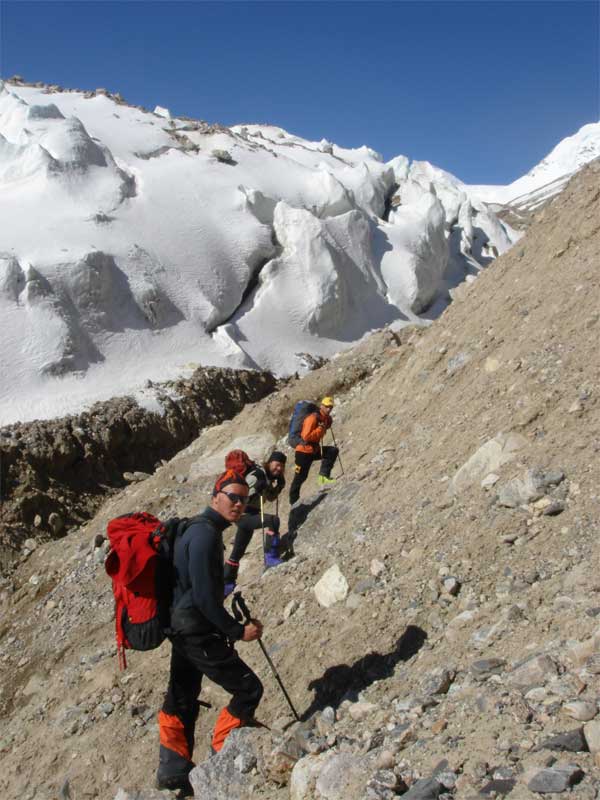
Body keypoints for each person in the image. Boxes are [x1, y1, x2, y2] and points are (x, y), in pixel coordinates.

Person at [156, 470, 264, 794]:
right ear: (216, 496)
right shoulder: (205, 536)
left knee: (181, 695)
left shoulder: (195, 528)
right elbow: (204, 598)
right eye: (233, 497)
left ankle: (173, 770)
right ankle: (222, 757)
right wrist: (237, 631)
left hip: (180, 628)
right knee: (248, 689)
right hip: (196, 631)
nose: (239, 504)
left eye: (244, 499)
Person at [223, 451, 287, 596]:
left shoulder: (266, 477)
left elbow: (270, 497)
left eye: (282, 467)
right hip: (244, 515)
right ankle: (271, 557)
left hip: (249, 515)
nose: (279, 469)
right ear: (270, 462)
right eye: (277, 465)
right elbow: (240, 496)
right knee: (273, 520)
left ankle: (227, 584)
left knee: (237, 551)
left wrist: (279, 486)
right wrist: (255, 490)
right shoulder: (258, 475)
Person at [288, 396, 338, 505]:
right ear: (322, 406)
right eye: (327, 406)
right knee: (300, 477)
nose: (329, 409)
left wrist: (325, 425)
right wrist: (320, 429)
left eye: (331, 407)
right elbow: (306, 436)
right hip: (303, 452)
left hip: (313, 450)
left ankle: (323, 477)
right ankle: (293, 502)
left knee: (332, 451)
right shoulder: (313, 418)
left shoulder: (324, 418)